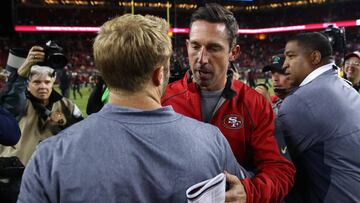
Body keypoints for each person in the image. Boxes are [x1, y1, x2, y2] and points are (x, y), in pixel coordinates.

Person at [17, 14, 249, 203]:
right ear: (159, 75)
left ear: (105, 76)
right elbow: (246, 189)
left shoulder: (49, 156)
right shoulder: (211, 140)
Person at [162, 3, 295, 202]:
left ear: (233, 52)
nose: (202, 58)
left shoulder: (255, 104)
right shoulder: (163, 99)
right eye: (196, 46)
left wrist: (249, 193)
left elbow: (281, 171)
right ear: (187, 46)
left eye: (214, 48)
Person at [279, 32, 360, 202]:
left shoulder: (298, 101)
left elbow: (274, 165)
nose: (284, 65)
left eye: (291, 56)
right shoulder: (346, 88)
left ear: (314, 57)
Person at [0, 46, 83, 166]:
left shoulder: (67, 106)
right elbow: (12, 103)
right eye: (37, 82)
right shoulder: (20, 102)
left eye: (47, 82)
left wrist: (62, 125)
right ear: (27, 84)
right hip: (16, 173)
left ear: (53, 82)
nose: (43, 87)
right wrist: (21, 76)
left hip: (50, 173)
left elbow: (81, 137)